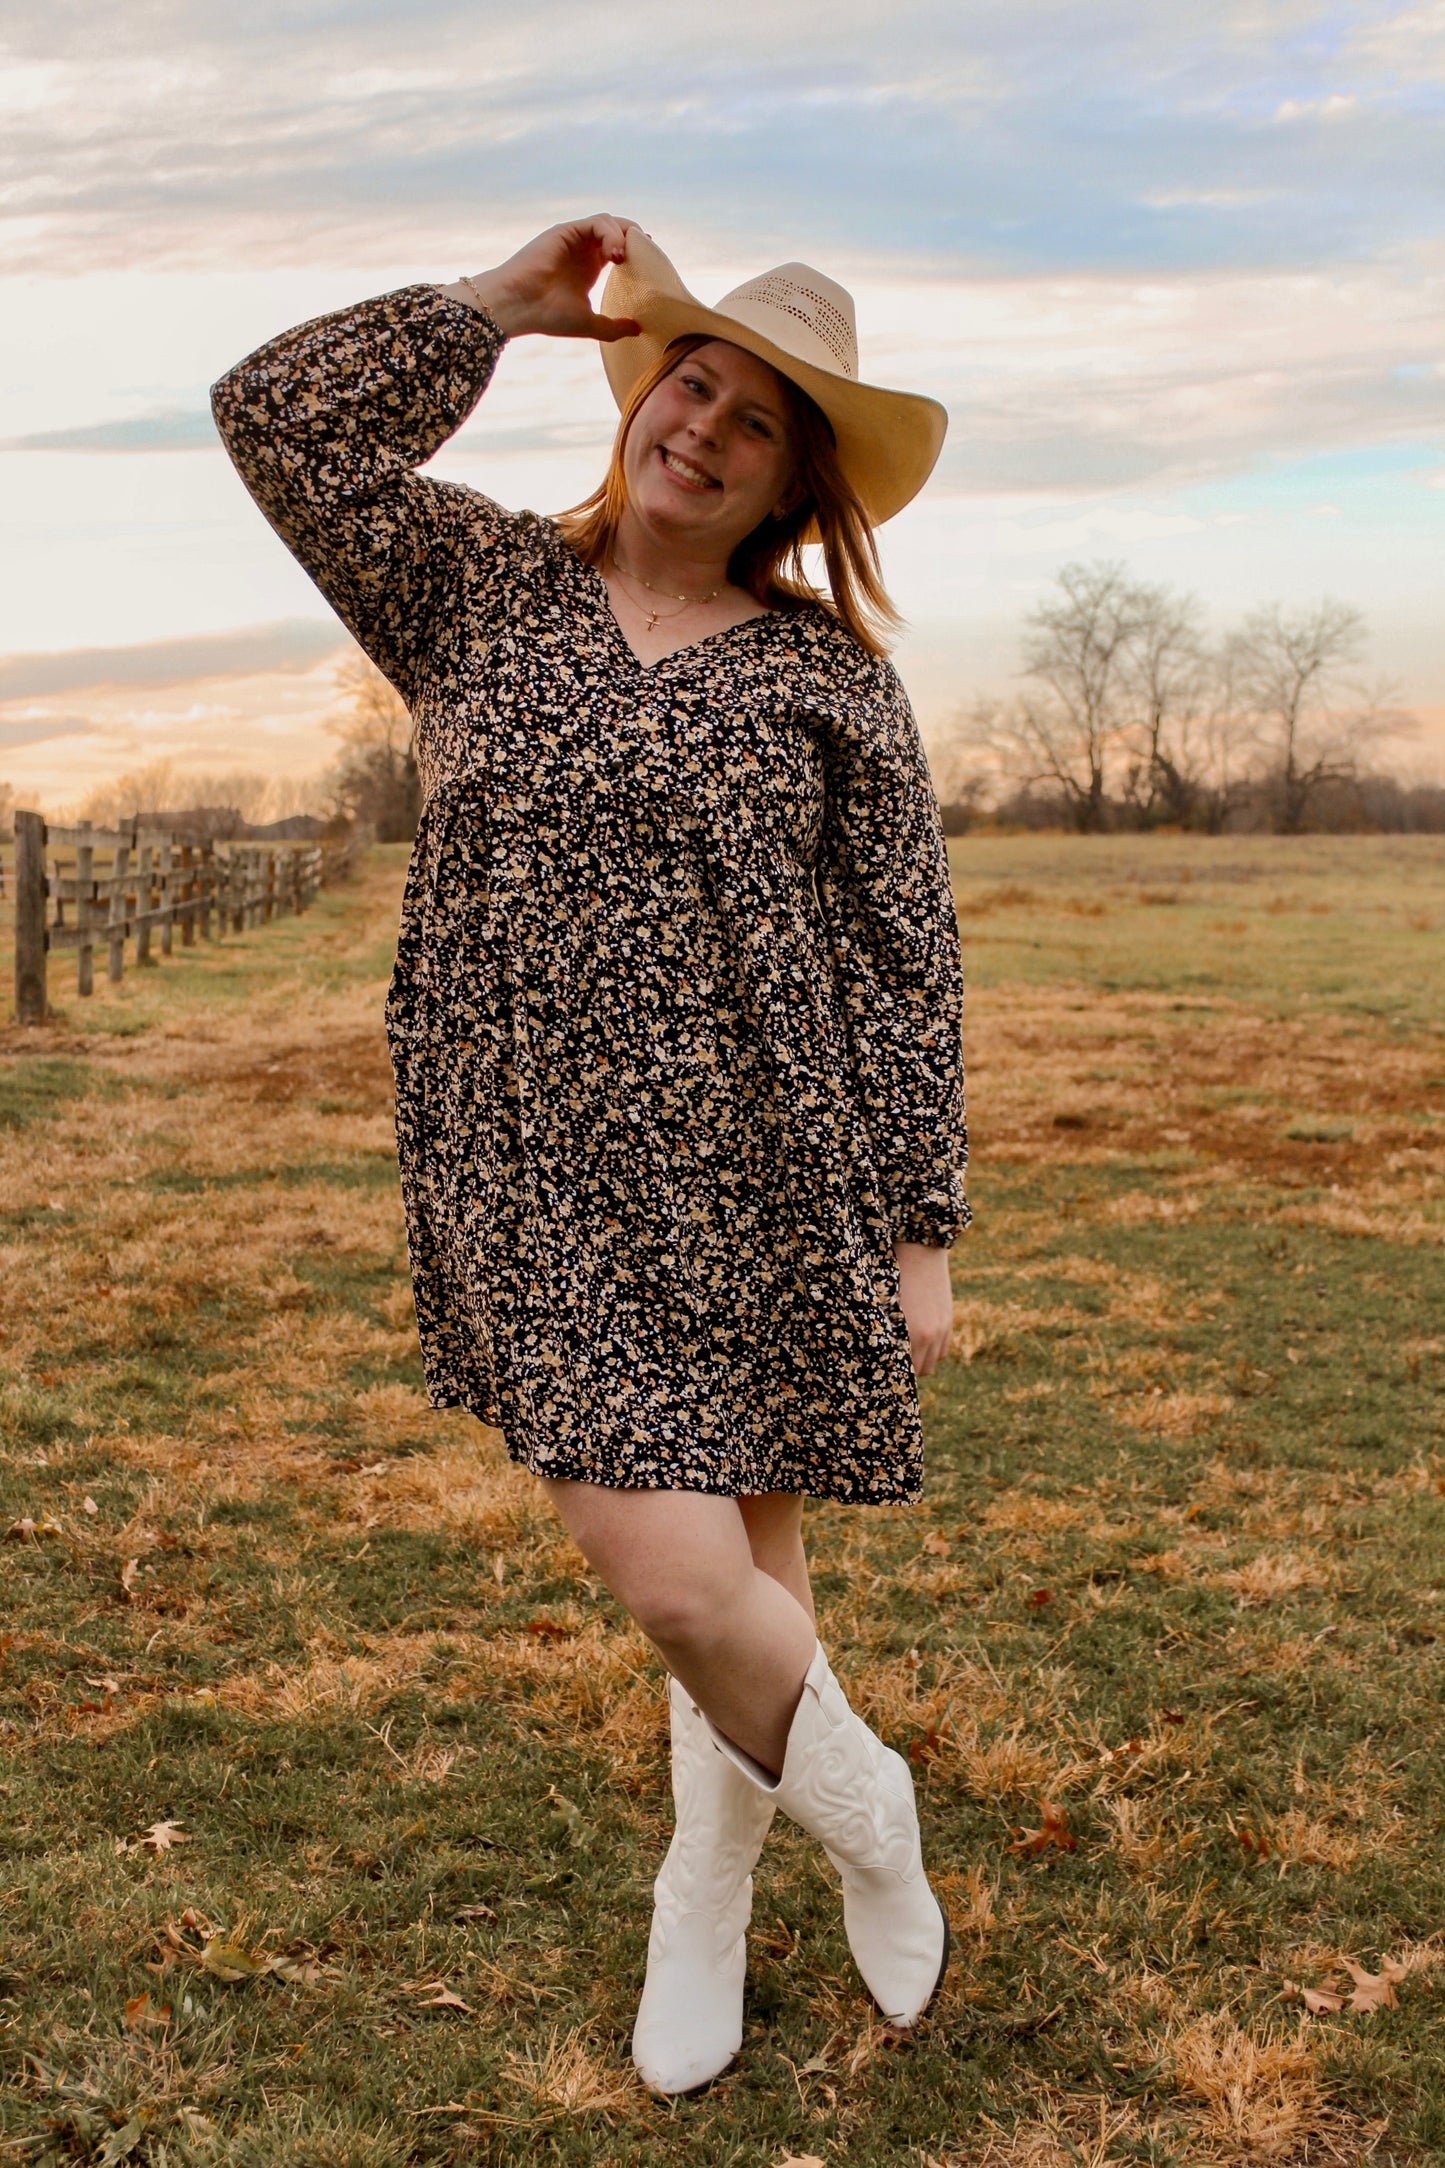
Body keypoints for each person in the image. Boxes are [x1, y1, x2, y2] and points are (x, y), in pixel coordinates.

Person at [211, 214, 969, 2096]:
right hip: (531, 1167)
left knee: (748, 1583)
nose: (704, 429)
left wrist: (917, 1233)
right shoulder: (472, 590)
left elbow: (899, 958)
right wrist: (502, 309)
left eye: (759, 423)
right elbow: (272, 417)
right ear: (643, 396)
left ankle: (702, 1890)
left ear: (797, 484)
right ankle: (873, 1819)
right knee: (679, 1583)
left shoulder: (828, 678)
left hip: (770, 1172)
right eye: (689, 381)